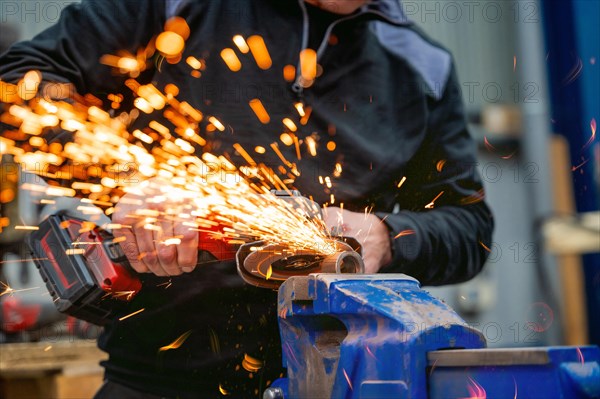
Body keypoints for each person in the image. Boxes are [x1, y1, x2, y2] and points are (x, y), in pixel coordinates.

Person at [0, 0, 494, 397]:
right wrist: (129, 182)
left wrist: (387, 236)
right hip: (158, 383)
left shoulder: (422, 65)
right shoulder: (170, 8)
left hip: (346, 383)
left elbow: (470, 229)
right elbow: (14, 85)